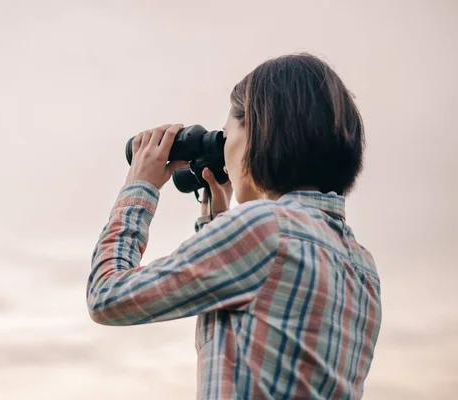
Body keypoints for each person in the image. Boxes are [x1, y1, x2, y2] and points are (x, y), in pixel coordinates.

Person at [86, 53, 382, 399]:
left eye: (226, 136)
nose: (225, 151)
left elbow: (107, 296)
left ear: (259, 131)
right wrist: (217, 222)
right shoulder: (362, 265)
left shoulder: (264, 229)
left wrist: (140, 186)